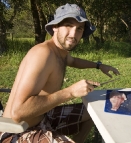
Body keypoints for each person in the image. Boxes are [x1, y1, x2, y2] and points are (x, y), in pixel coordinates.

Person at [0, 3, 120, 143]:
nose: (73, 34)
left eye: (79, 29)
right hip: (17, 131)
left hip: (43, 116)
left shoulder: (60, 53)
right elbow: (18, 112)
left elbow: (73, 61)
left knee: (95, 111)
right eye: (68, 25)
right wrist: (70, 92)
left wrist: (99, 66)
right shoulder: (43, 54)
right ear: (55, 27)